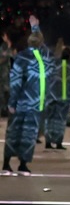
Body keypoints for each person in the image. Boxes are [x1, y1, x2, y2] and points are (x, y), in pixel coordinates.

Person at [2, 28, 47, 175]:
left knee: (13, 133)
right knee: (29, 135)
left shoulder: (21, 57)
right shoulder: (43, 59)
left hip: (21, 103)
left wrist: (12, 103)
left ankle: (7, 164)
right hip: (34, 105)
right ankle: (23, 165)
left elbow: (15, 82)